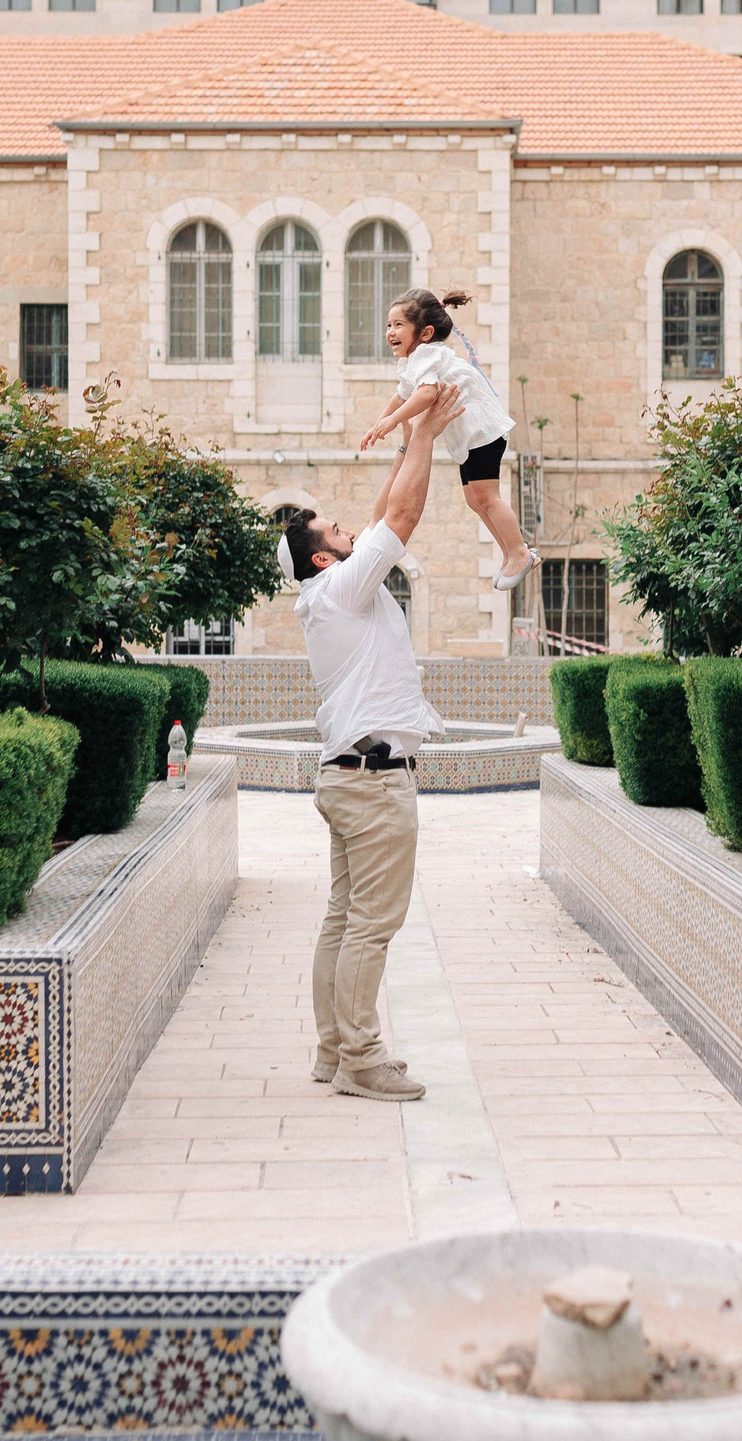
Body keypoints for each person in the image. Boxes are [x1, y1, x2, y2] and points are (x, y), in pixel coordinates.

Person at [281, 386, 466, 1103]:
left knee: (343, 917)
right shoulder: (342, 589)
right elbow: (404, 515)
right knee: (373, 925)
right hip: (374, 780)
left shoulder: (328, 591)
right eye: (333, 528)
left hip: (348, 774)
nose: (347, 528)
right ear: (323, 558)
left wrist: (410, 432)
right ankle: (361, 1054)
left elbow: (384, 509)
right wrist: (424, 439)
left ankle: (333, 1048)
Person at [356, 288, 539, 591]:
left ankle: (520, 551)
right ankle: (510, 553)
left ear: (425, 333)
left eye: (399, 325)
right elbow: (402, 393)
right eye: (389, 325)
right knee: (475, 499)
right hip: (470, 437)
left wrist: (391, 421)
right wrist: (378, 425)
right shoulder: (414, 360)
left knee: (487, 497)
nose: (391, 332)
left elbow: (425, 394)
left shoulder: (427, 355)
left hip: (482, 431)